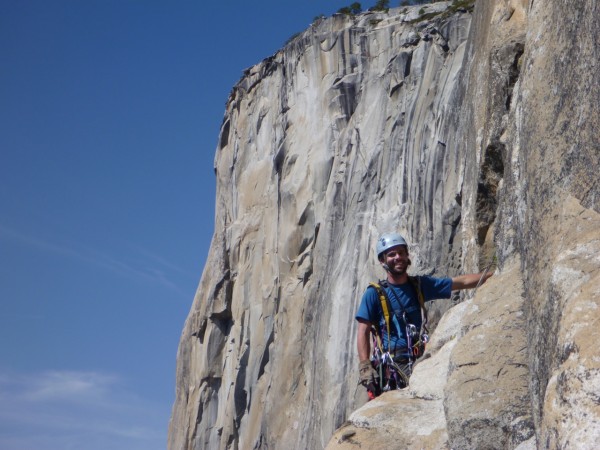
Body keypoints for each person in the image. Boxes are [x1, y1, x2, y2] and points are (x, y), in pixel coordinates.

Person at [356, 232, 493, 396]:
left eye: (401, 252)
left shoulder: (419, 285)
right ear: (382, 260)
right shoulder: (374, 294)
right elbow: (363, 330)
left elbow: (460, 282)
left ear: (407, 256)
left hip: (421, 358)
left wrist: (496, 274)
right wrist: (365, 365)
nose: (398, 257)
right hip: (393, 365)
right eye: (392, 254)